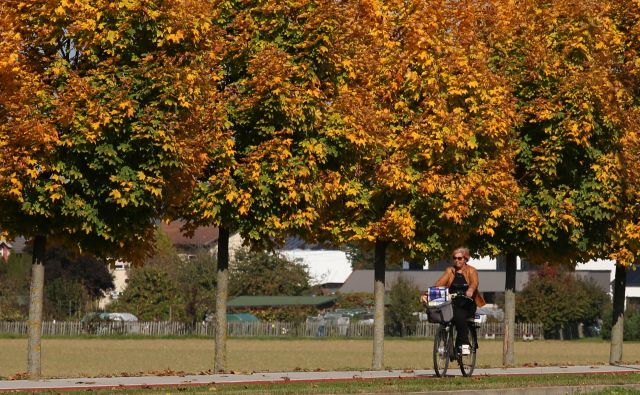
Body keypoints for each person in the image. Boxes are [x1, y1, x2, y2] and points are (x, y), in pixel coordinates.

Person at [423, 247, 486, 355]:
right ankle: (446, 342)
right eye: (454, 258)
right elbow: (439, 284)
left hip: (468, 303)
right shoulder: (450, 271)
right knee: (446, 313)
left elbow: (474, 283)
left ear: (465, 259)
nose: (457, 260)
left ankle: (465, 343)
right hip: (453, 303)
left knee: (459, 314)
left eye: (460, 258)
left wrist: (470, 290)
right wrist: (427, 294)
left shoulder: (472, 270)